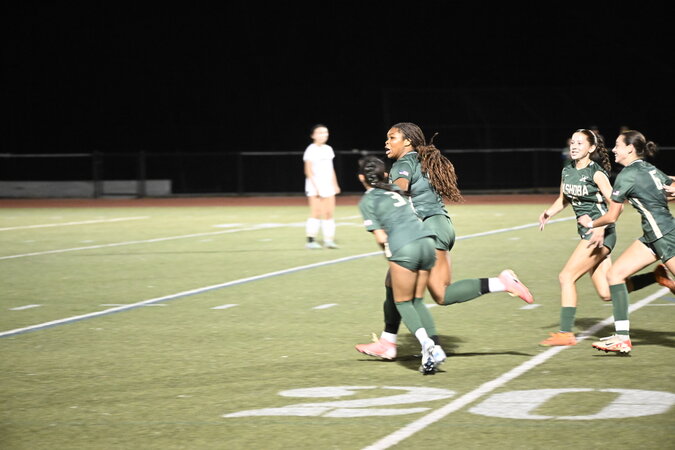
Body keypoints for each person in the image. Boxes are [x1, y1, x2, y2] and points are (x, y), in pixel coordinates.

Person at [355, 122, 533, 361]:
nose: (387, 142)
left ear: (408, 141)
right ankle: (389, 341)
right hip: (441, 225)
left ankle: (500, 284)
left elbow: (398, 193)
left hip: (426, 228)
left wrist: (376, 193)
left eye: (392, 137)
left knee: (425, 293)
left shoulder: (403, 164)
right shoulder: (422, 160)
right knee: (418, 289)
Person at [538, 129, 673, 347]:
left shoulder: (598, 173)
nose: (574, 146)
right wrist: (548, 213)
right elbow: (564, 198)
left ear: (591, 148)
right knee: (607, 291)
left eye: (580, 143)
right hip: (609, 233)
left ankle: (565, 333)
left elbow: (614, 208)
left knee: (566, 276)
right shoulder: (567, 170)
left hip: (601, 234)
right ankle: (655, 277)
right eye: (572, 142)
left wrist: (598, 226)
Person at [577, 130, 675, 353]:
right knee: (615, 275)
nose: (613, 150)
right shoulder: (648, 168)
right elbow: (669, 185)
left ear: (630, 149)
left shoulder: (627, 175)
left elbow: (612, 216)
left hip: (664, 236)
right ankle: (622, 338)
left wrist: (591, 223)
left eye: (617, 145)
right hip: (653, 236)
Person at [357, 155, 442, 374]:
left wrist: (393, 258)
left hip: (405, 247)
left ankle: (428, 345)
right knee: (413, 297)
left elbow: (380, 237)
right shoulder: (395, 189)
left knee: (403, 302)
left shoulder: (367, 200)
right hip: (427, 241)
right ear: (385, 175)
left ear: (361, 178)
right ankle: (389, 342)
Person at [303, 124, 341, 249]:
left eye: (325, 132)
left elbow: (331, 169)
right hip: (314, 186)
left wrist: (335, 184)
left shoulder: (328, 149)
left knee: (329, 213)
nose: (323, 135)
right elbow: (308, 170)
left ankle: (328, 240)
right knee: (316, 212)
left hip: (328, 185)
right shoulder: (311, 149)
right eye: (320, 132)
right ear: (313, 135)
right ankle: (310, 241)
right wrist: (316, 187)